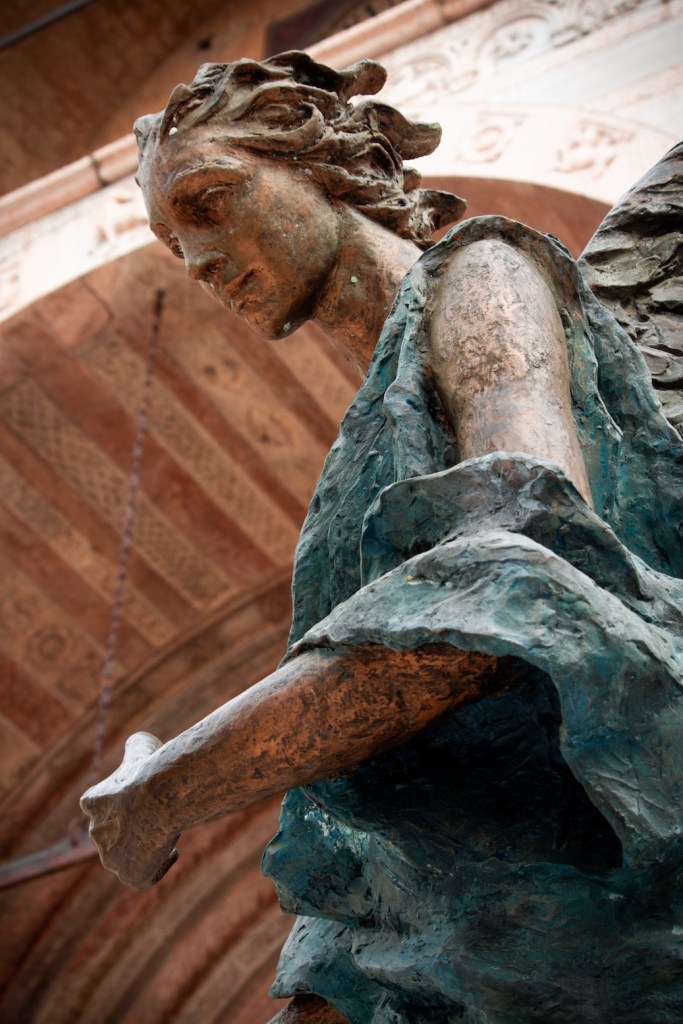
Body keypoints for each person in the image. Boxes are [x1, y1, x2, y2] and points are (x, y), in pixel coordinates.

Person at [81, 53, 683, 1023]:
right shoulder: (371, 430)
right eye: (170, 243)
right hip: (435, 896)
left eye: (209, 200)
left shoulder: (483, 273)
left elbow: (516, 571)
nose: (194, 260)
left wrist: (171, 780)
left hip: (575, 859)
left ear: (319, 165)